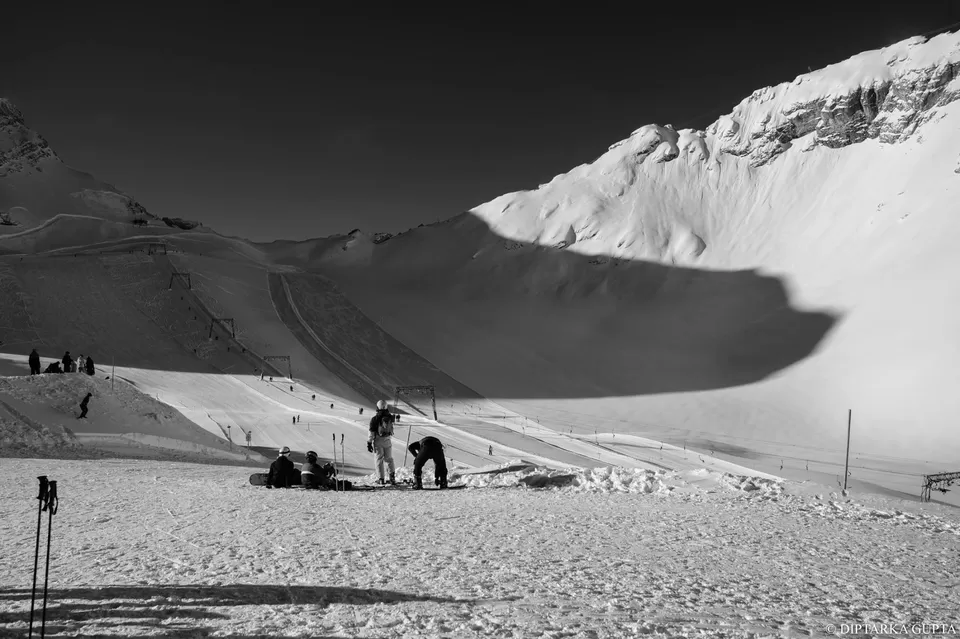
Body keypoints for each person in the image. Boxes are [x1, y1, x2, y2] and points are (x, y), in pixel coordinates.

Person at [367, 399, 396, 485]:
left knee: (379, 460)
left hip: (378, 440)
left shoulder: (375, 419)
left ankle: (381, 479)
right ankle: (392, 478)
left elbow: (371, 432)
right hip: (387, 440)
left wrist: (369, 442)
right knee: (389, 459)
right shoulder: (390, 417)